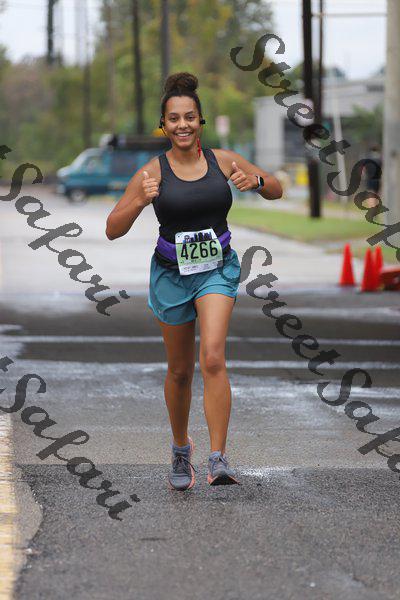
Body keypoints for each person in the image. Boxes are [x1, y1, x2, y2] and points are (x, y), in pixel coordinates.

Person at [106, 72, 282, 491]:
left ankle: (218, 458)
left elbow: (276, 188)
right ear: (163, 125)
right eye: (174, 118)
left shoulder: (224, 161)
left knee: (213, 358)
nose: (182, 124)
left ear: (200, 121)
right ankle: (181, 448)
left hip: (216, 269)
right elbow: (112, 228)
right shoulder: (152, 171)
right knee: (180, 370)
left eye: (189, 117)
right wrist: (139, 200)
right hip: (171, 274)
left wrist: (257, 183)